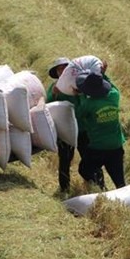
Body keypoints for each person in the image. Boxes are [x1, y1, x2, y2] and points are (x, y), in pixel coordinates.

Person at [74, 70, 126, 189]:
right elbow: (111, 85)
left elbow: (78, 114)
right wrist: (103, 73)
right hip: (116, 146)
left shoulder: (89, 104)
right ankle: (127, 200)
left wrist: (79, 97)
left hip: (98, 148)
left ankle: (101, 188)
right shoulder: (114, 95)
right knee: (119, 180)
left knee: (84, 169)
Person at [45, 57, 76, 193]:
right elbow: (48, 105)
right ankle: (65, 188)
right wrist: (54, 95)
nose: (62, 71)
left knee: (89, 158)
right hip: (64, 130)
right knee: (65, 159)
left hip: (82, 126)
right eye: (59, 69)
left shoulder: (76, 83)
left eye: (65, 68)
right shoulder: (54, 87)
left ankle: (95, 184)